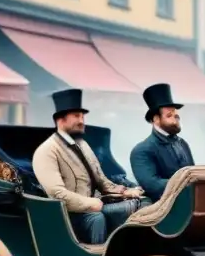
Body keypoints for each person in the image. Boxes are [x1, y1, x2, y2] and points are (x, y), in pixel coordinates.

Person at [32, 88, 143, 245]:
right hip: (69, 216)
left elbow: (101, 180)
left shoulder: (83, 144)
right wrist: (90, 204)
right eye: (77, 116)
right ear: (60, 120)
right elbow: (57, 194)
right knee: (98, 218)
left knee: (141, 204)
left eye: (83, 116)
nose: (82, 121)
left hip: (95, 206)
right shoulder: (47, 151)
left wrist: (126, 191)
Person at [130, 83, 195, 202]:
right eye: (169, 115)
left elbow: (193, 172)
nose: (176, 118)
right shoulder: (142, 150)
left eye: (176, 115)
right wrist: (187, 181)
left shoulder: (182, 143)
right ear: (156, 119)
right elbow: (152, 185)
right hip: (163, 208)